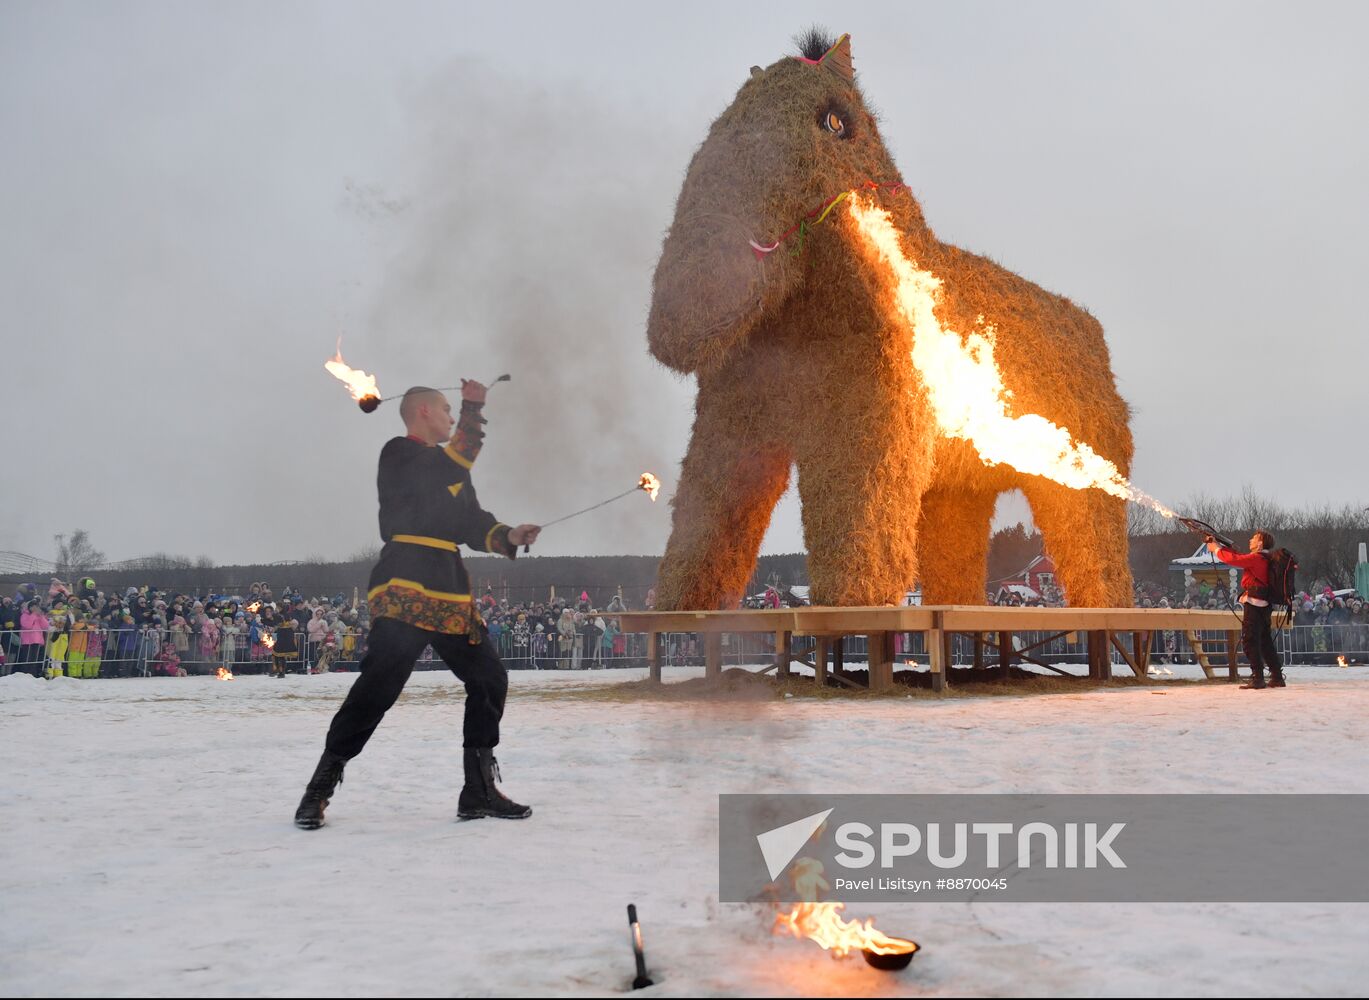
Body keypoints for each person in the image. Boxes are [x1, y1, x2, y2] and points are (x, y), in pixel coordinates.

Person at [294, 382, 541, 829]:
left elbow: (472, 523)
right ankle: (319, 788)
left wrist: (508, 535)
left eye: (456, 413)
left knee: (489, 678)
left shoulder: (453, 469)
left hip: (448, 590)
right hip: (405, 583)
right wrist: (475, 406)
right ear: (423, 412)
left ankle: (478, 791)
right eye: (447, 410)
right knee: (380, 685)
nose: (451, 418)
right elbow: (450, 461)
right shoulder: (399, 454)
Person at [1206, 531, 1286, 689]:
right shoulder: (1266, 558)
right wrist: (1220, 546)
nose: (1251, 540)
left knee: (1250, 641)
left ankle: (1258, 677)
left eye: (1254, 538)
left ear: (1260, 543)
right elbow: (1238, 556)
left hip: (1254, 603)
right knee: (1265, 642)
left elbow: (1234, 559)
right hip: (1264, 603)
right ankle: (1276, 676)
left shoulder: (1257, 558)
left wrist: (1216, 549)